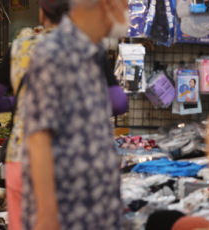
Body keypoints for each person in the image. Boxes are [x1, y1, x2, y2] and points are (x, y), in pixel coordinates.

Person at [21, 0, 129, 229]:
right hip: (67, 214)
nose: (128, 11)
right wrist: (47, 217)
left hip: (94, 211)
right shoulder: (54, 54)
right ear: (106, 5)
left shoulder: (93, 52)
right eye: (125, 4)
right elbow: (39, 139)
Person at [0, 1, 70, 230]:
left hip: (21, 155)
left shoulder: (22, 46)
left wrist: (19, 103)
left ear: (42, 14)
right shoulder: (85, 49)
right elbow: (117, 102)